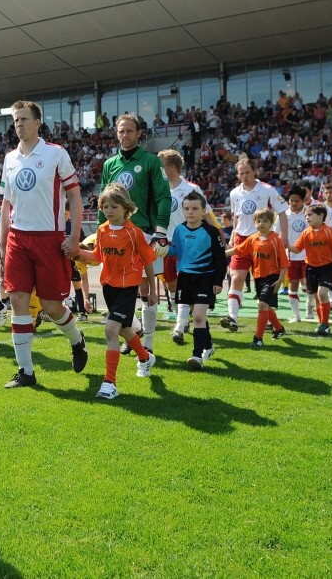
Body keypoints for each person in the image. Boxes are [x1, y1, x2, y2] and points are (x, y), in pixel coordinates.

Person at [0, 100, 87, 389]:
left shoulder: (55, 153)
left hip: (50, 239)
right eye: (16, 120)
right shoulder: (10, 158)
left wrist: (74, 236)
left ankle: (77, 340)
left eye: (24, 119)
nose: (19, 124)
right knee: (18, 301)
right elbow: (6, 203)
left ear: (38, 123)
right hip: (18, 238)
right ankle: (25, 371)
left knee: (51, 306)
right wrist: (2, 240)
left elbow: (74, 196)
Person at [75, 184, 158, 399]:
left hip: (128, 288)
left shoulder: (134, 233)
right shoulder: (102, 230)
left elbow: (148, 262)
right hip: (109, 288)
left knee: (111, 329)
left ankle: (109, 383)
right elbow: (97, 256)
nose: (109, 210)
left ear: (125, 208)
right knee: (124, 329)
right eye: (105, 206)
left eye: (114, 206)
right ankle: (145, 358)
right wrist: (77, 252)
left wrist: (152, 290)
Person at [99, 114, 171, 354]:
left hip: (144, 233)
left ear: (139, 133)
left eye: (129, 131)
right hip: (115, 235)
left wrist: (161, 230)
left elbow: (163, 196)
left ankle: (148, 342)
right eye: (121, 131)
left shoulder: (151, 162)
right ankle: (135, 330)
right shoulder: (109, 164)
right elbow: (103, 201)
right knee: (119, 287)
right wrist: (97, 232)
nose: (125, 135)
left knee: (146, 287)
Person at [157, 149, 225, 344]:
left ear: (170, 167)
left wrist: (218, 237)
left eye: (160, 166)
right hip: (168, 243)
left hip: (190, 243)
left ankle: (180, 326)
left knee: (186, 282)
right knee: (171, 283)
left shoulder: (191, 189)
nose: (157, 169)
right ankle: (184, 320)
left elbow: (207, 214)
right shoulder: (159, 189)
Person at [156, 191, 225, 369]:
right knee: (197, 316)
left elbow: (220, 258)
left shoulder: (211, 231)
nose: (190, 212)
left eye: (194, 208)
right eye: (186, 208)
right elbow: (176, 250)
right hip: (185, 278)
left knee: (198, 316)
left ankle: (197, 356)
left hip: (205, 278)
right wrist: (164, 250)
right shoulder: (179, 230)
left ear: (203, 211)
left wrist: (218, 281)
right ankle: (208, 346)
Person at [221, 158, 288, 332]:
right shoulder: (234, 193)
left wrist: (284, 236)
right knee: (237, 278)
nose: (245, 176)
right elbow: (237, 217)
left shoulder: (267, 189)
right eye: (241, 173)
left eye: (248, 172)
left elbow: (282, 212)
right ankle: (232, 318)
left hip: (263, 241)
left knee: (264, 284)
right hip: (241, 240)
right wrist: (233, 236)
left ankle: (271, 322)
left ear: (255, 171)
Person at [225, 209, 288, 348]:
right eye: (258, 221)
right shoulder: (253, 238)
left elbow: (284, 263)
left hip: (272, 278)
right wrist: (220, 254)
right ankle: (279, 328)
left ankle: (258, 338)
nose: (261, 223)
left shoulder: (275, 240)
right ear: (254, 223)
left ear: (271, 223)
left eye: (265, 221)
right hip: (258, 278)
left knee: (262, 305)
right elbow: (237, 250)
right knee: (267, 307)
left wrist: (280, 280)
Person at [287, 205, 332, 336]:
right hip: (311, 268)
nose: (307, 217)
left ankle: (325, 324)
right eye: (306, 215)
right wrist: (286, 245)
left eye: (310, 215)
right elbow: (297, 249)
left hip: (327, 267)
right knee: (317, 297)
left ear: (320, 216)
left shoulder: (330, 232)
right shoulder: (306, 232)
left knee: (322, 294)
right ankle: (321, 323)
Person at [276, 187, 312, 323]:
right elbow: (276, 233)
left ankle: (310, 307)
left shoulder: (309, 213)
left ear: (303, 200)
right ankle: (296, 316)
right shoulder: (283, 215)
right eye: (291, 200)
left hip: (308, 255)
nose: (294, 203)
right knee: (293, 284)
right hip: (290, 256)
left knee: (307, 284)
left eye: (297, 201)